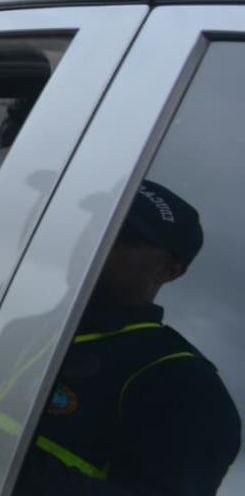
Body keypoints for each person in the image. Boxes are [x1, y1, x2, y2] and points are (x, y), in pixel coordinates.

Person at [13, 181, 240, 493]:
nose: (96, 238)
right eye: (97, 221)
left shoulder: (183, 381)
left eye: (123, 234)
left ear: (168, 271)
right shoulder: (17, 327)